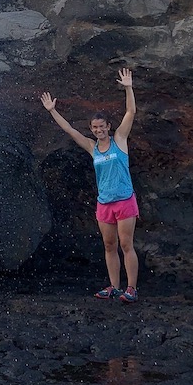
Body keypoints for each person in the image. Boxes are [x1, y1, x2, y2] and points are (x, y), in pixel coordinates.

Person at [40, 68, 140, 303]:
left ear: (108, 126)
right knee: (108, 245)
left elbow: (131, 111)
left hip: (124, 200)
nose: (98, 130)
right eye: (94, 128)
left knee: (126, 244)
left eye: (102, 126)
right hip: (104, 203)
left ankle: (132, 289)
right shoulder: (91, 147)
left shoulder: (120, 141)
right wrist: (52, 110)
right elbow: (69, 130)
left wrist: (128, 87)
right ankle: (114, 287)